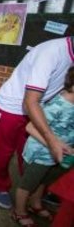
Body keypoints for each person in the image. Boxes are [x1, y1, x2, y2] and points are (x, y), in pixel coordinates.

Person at [0, 36, 74, 209]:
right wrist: (51, 140)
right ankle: (0, 186)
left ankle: (31, 189)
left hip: (39, 106)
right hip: (11, 107)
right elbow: (29, 102)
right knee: (3, 152)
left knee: (28, 153)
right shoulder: (52, 52)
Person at [12, 67, 74, 226]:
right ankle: (19, 211)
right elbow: (30, 127)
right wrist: (55, 144)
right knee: (27, 185)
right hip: (40, 154)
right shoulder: (59, 105)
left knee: (43, 181)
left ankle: (35, 203)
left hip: (58, 155)